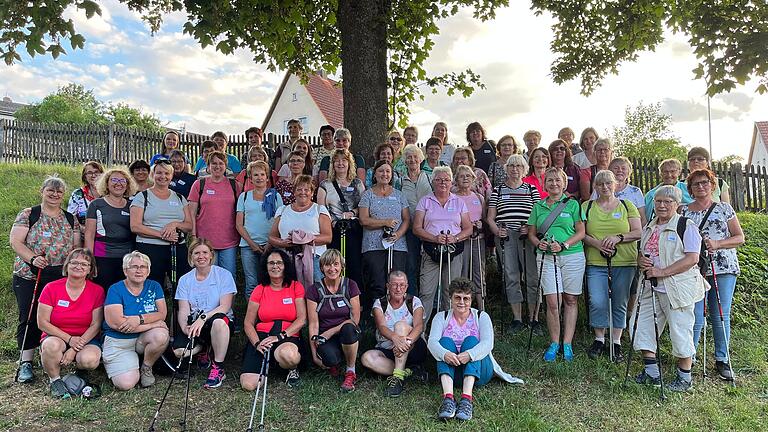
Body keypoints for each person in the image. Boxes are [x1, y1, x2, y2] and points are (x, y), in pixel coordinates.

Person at [634, 185, 706, 392]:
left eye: (668, 202)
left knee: (680, 331)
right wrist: (642, 262)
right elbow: (643, 253)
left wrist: (661, 272)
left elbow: (692, 258)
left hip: (676, 288)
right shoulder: (650, 226)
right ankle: (652, 373)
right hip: (649, 287)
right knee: (642, 326)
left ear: (677, 204)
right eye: (658, 201)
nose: (662, 205)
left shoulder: (685, 225)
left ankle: (685, 379)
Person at [10, 176, 81, 383]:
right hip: (30, 273)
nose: (55, 194)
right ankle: (26, 361)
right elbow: (15, 241)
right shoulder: (29, 214)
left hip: (58, 276)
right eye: (50, 190)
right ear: (42, 190)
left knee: (55, 317)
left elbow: (76, 248)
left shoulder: (70, 218)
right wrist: (33, 258)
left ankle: (52, 355)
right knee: (29, 315)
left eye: (59, 191)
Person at [428, 278, 522, 421]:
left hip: (478, 372)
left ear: (471, 300)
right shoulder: (441, 317)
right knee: (444, 342)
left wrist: (469, 355)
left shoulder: (481, 316)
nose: (461, 302)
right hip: (452, 371)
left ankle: (466, 400)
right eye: (457, 298)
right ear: (451, 299)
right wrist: (445, 354)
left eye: (466, 298)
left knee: (471, 341)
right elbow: (432, 343)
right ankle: (448, 399)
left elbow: (488, 343)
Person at [682, 169, 744, 381]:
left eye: (705, 182)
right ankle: (689, 355)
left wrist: (717, 243)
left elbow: (739, 237)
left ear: (712, 185)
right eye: (696, 184)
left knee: (720, 314)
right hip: (694, 268)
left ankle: (722, 358)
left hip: (723, 267)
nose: (701, 186)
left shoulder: (724, 208)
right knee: (695, 314)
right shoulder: (683, 212)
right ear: (690, 189)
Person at [527, 167, 585, 362]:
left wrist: (564, 244)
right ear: (545, 184)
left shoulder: (573, 205)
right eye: (550, 180)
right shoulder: (538, 207)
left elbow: (581, 232)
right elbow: (531, 234)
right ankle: (554, 342)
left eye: (557, 180)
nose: (553, 184)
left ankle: (567, 343)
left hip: (572, 256)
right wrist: (538, 243)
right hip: (546, 257)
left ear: (564, 183)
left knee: (570, 299)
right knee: (552, 301)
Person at [582, 170, 641, 362]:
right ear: (595, 187)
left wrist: (618, 238)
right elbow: (581, 233)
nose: (605, 187)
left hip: (624, 261)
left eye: (608, 183)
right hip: (596, 261)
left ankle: (616, 341)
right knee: (597, 300)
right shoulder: (587, 206)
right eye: (600, 184)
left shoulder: (627, 205)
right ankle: (599, 338)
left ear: (615, 184)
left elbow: (638, 232)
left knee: (620, 300)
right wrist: (598, 244)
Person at [37, 249, 104, 398]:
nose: (78, 266)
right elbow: (42, 322)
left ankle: (80, 374)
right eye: (74, 262)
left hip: (86, 337)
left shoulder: (97, 291)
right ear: (67, 266)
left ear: (90, 269)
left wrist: (74, 347)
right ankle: (55, 380)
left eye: (84, 264)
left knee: (90, 360)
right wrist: (69, 339)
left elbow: (96, 325)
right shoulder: (51, 288)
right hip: (56, 335)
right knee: (51, 346)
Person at [487, 155, 541, 332]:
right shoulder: (498, 190)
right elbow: (490, 218)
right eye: (511, 165)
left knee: (532, 277)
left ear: (524, 169)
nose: (515, 169)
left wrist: (531, 228)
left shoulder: (531, 189)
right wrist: (496, 231)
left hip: (527, 236)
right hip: (506, 236)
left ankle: (534, 318)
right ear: (506, 168)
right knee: (511, 276)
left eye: (518, 165)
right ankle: (517, 319)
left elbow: (540, 214)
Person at [174, 238, 237, 389]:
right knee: (179, 352)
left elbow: (225, 306)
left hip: (218, 320)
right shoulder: (185, 280)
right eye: (196, 253)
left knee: (219, 322)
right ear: (191, 257)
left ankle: (218, 367)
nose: (201, 256)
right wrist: (184, 327)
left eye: (204, 252)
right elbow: (183, 310)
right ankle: (204, 346)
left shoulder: (223, 275)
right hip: (195, 323)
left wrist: (203, 318)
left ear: (211, 255)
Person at [240, 250, 307, 390]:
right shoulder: (259, 289)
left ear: (285, 266)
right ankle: (270, 363)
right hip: (262, 337)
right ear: (265, 266)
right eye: (271, 263)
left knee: (290, 356)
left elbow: (302, 319)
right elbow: (248, 323)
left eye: (279, 263)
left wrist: (280, 336)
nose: (275, 266)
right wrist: (257, 343)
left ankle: (290, 368)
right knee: (248, 385)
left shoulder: (295, 286)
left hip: (286, 335)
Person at [102, 251, 169, 390]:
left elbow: (162, 313)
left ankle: (146, 367)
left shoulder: (154, 286)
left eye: (143, 267)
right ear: (125, 270)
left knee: (161, 335)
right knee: (126, 384)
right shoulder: (115, 289)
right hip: (119, 341)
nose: (139, 270)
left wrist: (138, 319)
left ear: (148, 271)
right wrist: (154, 323)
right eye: (134, 267)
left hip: (142, 339)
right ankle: (120, 363)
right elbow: (118, 324)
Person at [413, 166, 472, 323]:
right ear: (433, 182)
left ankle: (450, 327)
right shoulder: (425, 201)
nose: (442, 183)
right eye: (438, 180)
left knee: (451, 290)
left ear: (451, 181)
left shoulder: (458, 202)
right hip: (431, 250)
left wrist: (456, 238)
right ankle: (421, 331)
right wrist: (434, 238)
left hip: (454, 250)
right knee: (426, 291)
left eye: (446, 179)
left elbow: (468, 228)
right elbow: (417, 228)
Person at [361, 270, 428, 398]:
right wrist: (395, 339)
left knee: (400, 325)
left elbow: (419, 326)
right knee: (366, 358)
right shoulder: (380, 303)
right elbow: (381, 327)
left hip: (413, 347)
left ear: (407, 286)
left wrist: (405, 343)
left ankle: (397, 378)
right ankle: (410, 372)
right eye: (394, 285)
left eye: (402, 285)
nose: (398, 289)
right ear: (388, 286)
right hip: (389, 350)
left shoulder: (414, 301)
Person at [130, 159, 193, 288]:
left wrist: (175, 224)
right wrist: (162, 235)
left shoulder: (180, 197)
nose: (163, 177)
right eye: (159, 173)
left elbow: (189, 225)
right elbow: (135, 226)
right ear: (153, 174)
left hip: (176, 247)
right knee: (152, 286)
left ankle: (179, 308)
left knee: (183, 285)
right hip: (149, 248)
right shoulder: (142, 197)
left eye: (166, 173)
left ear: (171, 176)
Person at [306, 249, 362, 392]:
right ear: (321, 268)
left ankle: (351, 371)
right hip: (325, 336)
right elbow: (313, 324)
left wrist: (330, 332)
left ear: (342, 266)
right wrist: (314, 355)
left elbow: (355, 319)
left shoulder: (350, 285)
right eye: (328, 265)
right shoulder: (314, 290)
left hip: (346, 333)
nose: (332, 269)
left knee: (349, 329)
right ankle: (335, 362)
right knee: (330, 360)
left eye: (336, 264)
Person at [359, 160, 410, 313]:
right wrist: (384, 222)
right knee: (377, 283)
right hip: (373, 245)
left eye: (388, 171)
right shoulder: (367, 195)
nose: (384, 174)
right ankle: (377, 318)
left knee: (397, 283)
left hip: (397, 245)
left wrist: (398, 234)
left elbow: (407, 219)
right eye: (381, 171)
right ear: (375, 174)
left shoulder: (399, 195)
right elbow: (363, 219)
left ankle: (397, 315)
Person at [269, 175, 333, 288]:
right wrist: (284, 243)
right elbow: (272, 237)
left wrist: (306, 239)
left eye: (307, 189)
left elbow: (328, 237)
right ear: (294, 192)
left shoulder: (319, 210)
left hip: (314, 259)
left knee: (316, 292)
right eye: (299, 189)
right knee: (288, 290)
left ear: (312, 193)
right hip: (287, 257)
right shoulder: (283, 210)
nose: (302, 192)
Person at [188, 151, 242, 279]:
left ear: (226, 166)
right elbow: (192, 213)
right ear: (208, 166)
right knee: (207, 277)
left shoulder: (234, 185)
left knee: (228, 277)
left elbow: (241, 212)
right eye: (214, 163)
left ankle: (228, 300)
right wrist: (194, 236)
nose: (217, 166)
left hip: (229, 240)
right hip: (205, 241)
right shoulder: (199, 184)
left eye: (221, 163)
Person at [317, 149, 365, 288]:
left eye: (344, 160)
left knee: (354, 265)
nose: (340, 163)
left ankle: (357, 301)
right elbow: (321, 209)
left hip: (354, 230)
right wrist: (331, 221)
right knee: (334, 264)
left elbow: (363, 206)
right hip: (334, 230)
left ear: (349, 163)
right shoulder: (325, 185)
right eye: (337, 160)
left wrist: (353, 212)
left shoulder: (357, 184)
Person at [236, 161, 283, 300]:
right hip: (248, 246)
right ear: (250, 178)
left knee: (271, 281)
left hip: (271, 245)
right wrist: (252, 244)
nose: (259, 178)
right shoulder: (244, 197)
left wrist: (270, 243)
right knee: (251, 283)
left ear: (267, 177)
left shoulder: (275, 196)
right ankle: (252, 318)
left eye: (262, 174)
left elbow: (279, 221)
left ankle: (269, 315)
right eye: (255, 175)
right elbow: (239, 224)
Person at [84, 168, 137, 290]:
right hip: (102, 257)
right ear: (107, 183)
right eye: (114, 180)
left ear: (127, 185)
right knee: (102, 291)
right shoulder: (96, 204)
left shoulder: (132, 205)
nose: (118, 183)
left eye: (122, 180)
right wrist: (89, 261)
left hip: (126, 258)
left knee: (123, 292)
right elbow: (89, 235)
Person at [400, 145, 434, 293]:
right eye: (409, 157)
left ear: (421, 159)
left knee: (429, 263)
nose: (412, 160)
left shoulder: (430, 177)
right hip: (409, 228)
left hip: (428, 228)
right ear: (405, 160)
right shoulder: (399, 180)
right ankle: (412, 296)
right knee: (411, 264)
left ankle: (429, 299)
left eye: (415, 157)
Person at [454, 165, 486, 309]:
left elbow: (484, 217)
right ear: (456, 180)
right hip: (461, 241)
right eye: (462, 176)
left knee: (479, 273)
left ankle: (481, 308)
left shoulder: (479, 197)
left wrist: (480, 224)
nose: (465, 178)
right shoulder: (453, 198)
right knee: (462, 273)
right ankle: (462, 307)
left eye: (468, 176)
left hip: (478, 240)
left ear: (473, 179)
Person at [68, 161, 104, 225]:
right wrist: (81, 229)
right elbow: (70, 217)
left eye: (96, 172)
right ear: (85, 176)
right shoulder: (77, 194)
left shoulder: (109, 193)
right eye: (89, 173)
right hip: (83, 232)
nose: (93, 175)